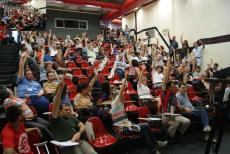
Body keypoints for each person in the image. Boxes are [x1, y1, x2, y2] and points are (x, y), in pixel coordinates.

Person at [111, 71, 167, 154]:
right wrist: (126, 77)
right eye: (122, 96)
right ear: (117, 97)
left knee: (144, 130)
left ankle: (153, 148)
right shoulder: (115, 104)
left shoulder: (120, 105)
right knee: (145, 126)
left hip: (129, 125)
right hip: (124, 129)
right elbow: (121, 91)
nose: (124, 97)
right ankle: (155, 145)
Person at [50, 81, 97, 154]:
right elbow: (55, 106)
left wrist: (78, 133)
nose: (69, 111)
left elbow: (82, 126)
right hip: (66, 146)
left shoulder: (71, 117)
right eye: (66, 110)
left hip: (80, 142)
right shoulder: (56, 119)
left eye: (69, 110)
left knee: (93, 153)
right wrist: (59, 91)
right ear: (60, 111)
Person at [16, 51, 50, 116]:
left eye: (31, 74)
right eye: (28, 74)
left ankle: (43, 117)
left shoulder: (35, 83)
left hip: (37, 97)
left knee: (46, 103)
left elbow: (41, 89)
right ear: (25, 76)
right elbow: (21, 71)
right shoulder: (22, 80)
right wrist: (22, 59)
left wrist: (41, 92)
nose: (31, 75)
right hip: (25, 97)